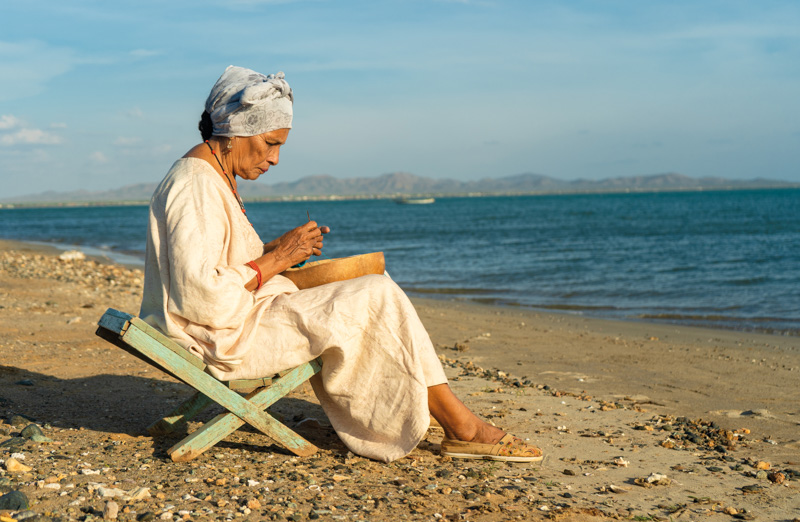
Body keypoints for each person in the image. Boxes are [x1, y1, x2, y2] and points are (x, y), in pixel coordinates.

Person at [139, 65, 542, 463]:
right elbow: (201, 295)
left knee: (373, 289)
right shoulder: (195, 183)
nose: (276, 159)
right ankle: (460, 426)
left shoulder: (213, 177)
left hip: (232, 321)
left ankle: (445, 417)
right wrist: (280, 258)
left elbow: (216, 265)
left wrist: (274, 249)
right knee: (375, 294)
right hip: (218, 337)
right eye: (271, 143)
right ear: (235, 133)